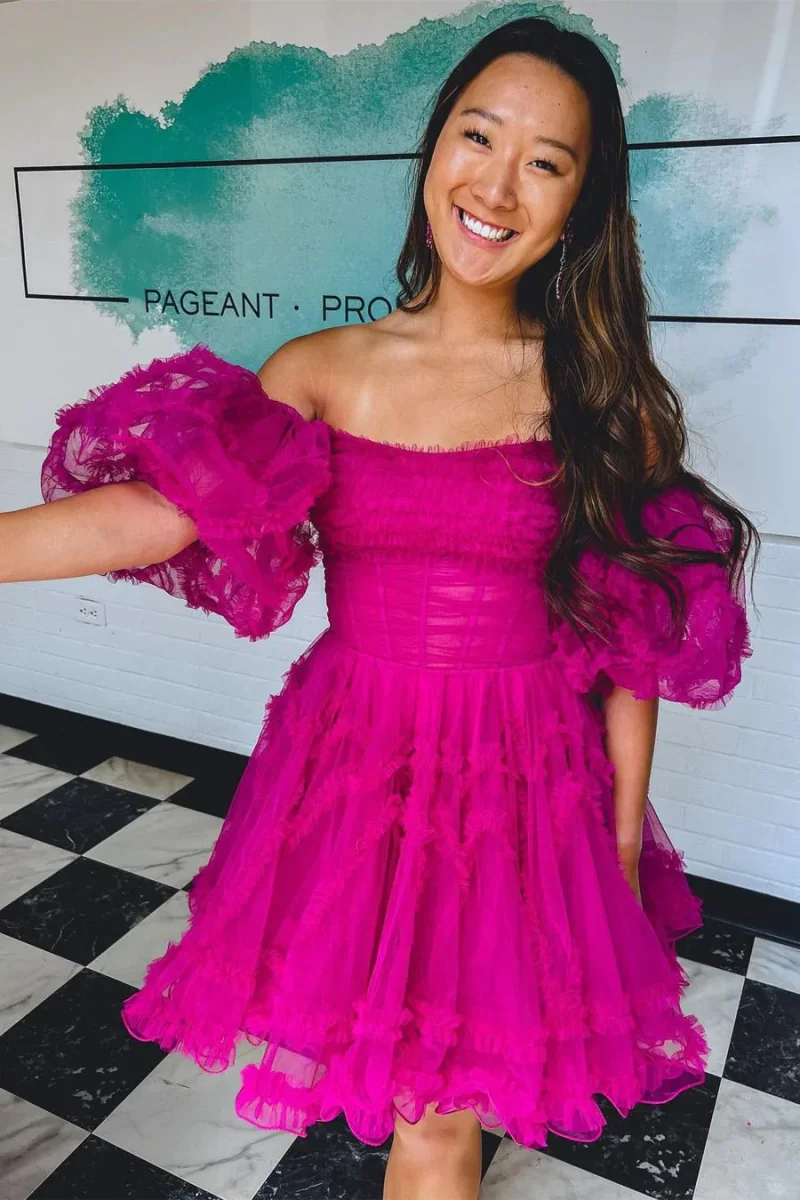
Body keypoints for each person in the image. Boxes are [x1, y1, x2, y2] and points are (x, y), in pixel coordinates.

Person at [2, 16, 759, 1200]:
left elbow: (627, 650)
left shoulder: (602, 401)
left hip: (520, 791)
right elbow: (156, 515)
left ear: (579, 204)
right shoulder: (321, 370)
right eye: (478, 136)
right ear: (433, 148)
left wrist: (615, 849)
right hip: (356, 775)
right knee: (402, 1080)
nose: (496, 186)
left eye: (545, 162)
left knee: (439, 1121)